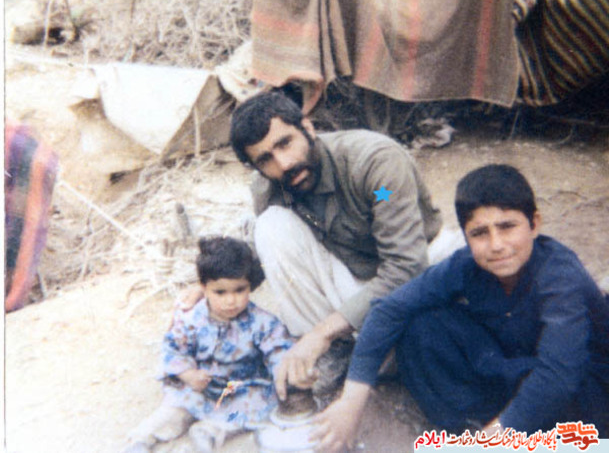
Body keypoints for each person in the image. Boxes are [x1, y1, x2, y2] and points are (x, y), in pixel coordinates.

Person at [312, 164, 609, 452]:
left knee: (569, 394)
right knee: (421, 326)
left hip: (576, 387)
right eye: (480, 233)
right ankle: (473, 431)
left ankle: (500, 437)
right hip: (515, 367)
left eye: (507, 227)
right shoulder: (466, 264)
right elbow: (389, 310)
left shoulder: (560, 275)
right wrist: (351, 401)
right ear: (466, 237)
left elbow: (558, 374)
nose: (496, 244)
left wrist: (498, 437)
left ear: (534, 224)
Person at [228, 91, 455, 402]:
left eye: (285, 143)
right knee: (270, 226)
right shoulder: (270, 187)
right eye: (265, 159)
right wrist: (215, 282)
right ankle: (340, 351)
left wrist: (321, 332)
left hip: (421, 267)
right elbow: (269, 257)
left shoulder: (375, 162)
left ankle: (364, 348)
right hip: (357, 277)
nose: (284, 163)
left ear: (308, 128)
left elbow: (406, 266)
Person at [124, 236, 293, 453]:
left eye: (239, 290)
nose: (231, 300)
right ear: (203, 287)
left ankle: (210, 430)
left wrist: (282, 373)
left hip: (239, 388)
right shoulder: (191, 319)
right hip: (199, 385)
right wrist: (187, 374)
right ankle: (143, 438)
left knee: (258, 404)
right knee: (176, 405)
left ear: (249, 286)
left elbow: (279, 350)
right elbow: (173, 349)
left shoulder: (262, 322)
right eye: (220, 292)